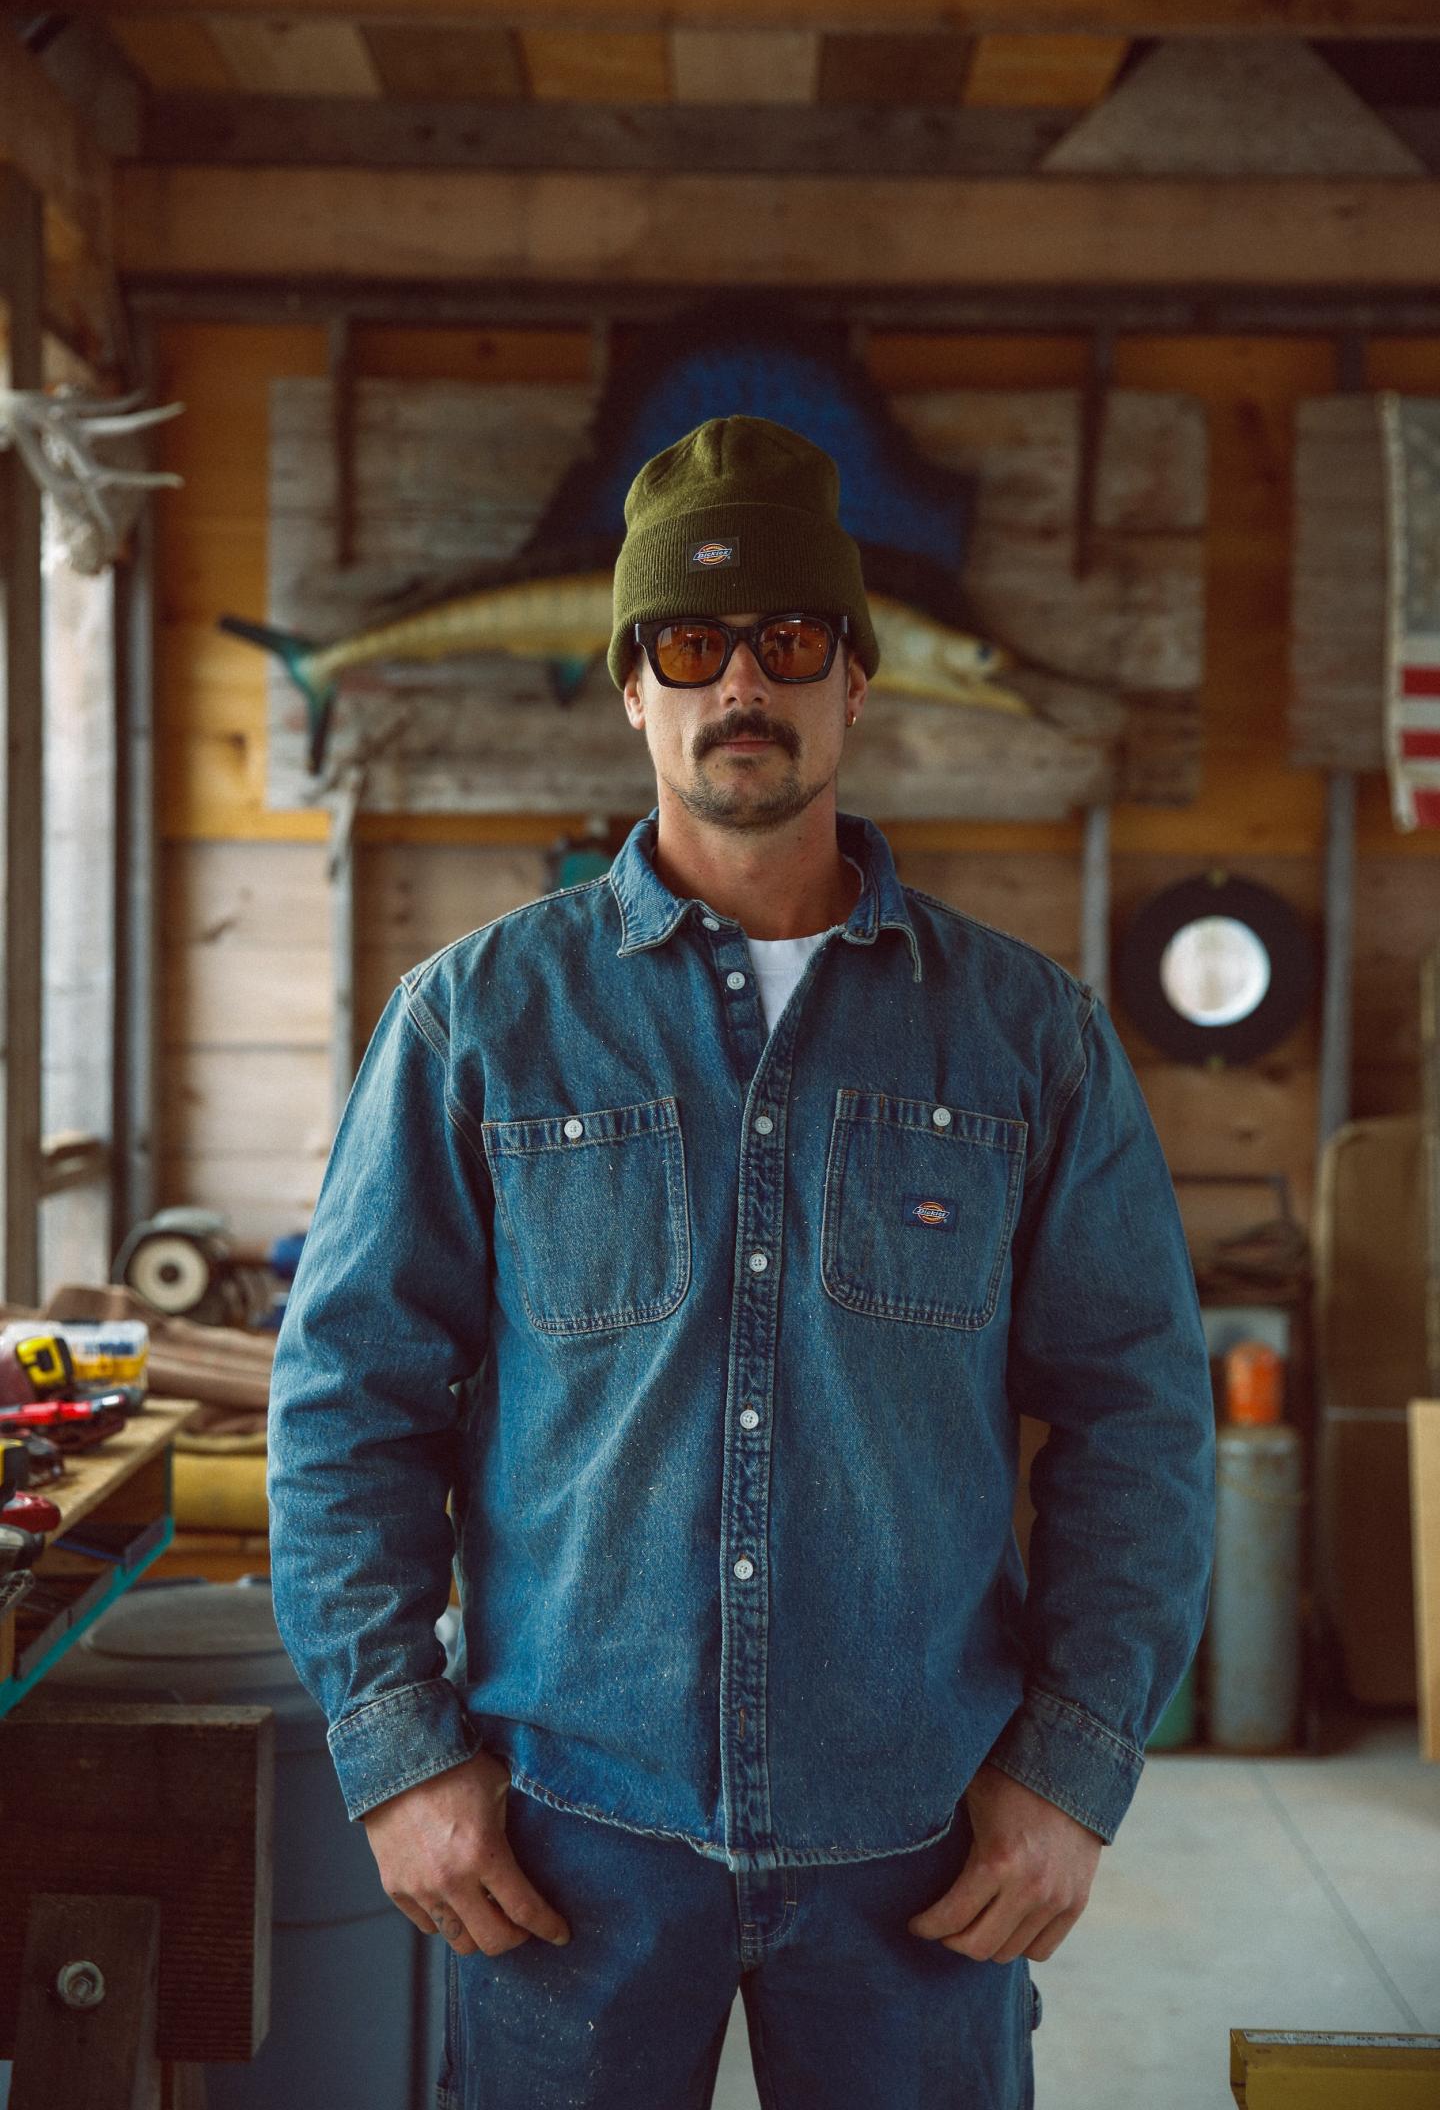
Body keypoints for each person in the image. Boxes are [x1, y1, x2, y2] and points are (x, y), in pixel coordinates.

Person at [267, 414, 1217, 2109]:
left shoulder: (1027, 1041)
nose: (740, 688)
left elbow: (1140, 1418)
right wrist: (400, 1755)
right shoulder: (477, 1025)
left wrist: (1073, 1771)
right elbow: (346, 1406)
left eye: (789, 641)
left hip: (924, 1839)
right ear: (632, 688)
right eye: (690, 646)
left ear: (859, 682)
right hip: (567, 1838)